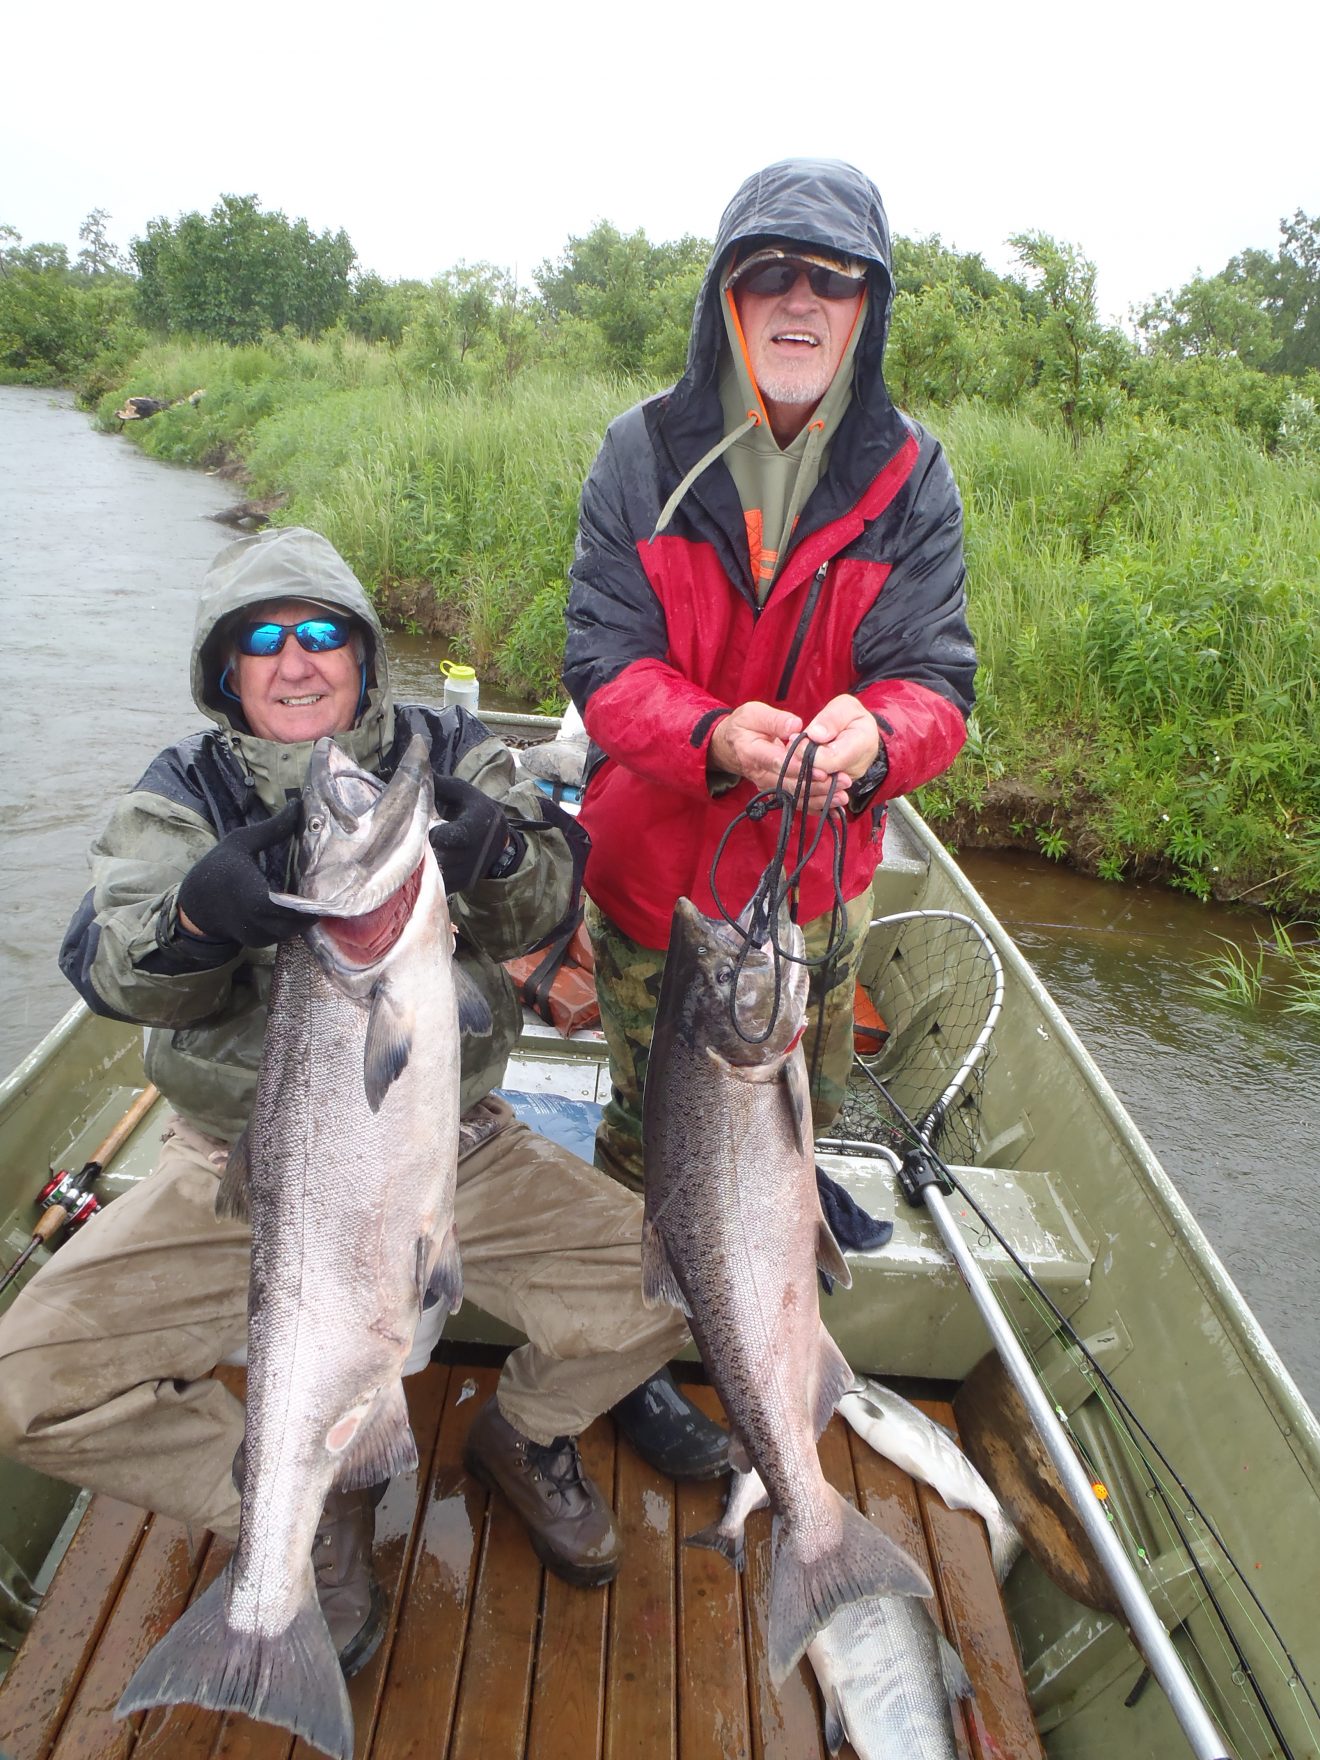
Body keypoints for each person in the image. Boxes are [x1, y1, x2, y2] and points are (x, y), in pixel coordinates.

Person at [0, 525, 691, 1676]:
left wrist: (504, 862)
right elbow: (108, 956)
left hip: (457, 1148)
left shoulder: (447, 751)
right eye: (260, 641)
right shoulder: (182, 792)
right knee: (22, 1390)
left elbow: (555, 889)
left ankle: (524, 1432)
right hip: (239, 1168)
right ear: (227, 673)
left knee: (694, 1279)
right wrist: (195, 920)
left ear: (363, 655)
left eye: (322, 632)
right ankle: (288, 1492)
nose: (296, 659)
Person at [564, 159, 978, 1436]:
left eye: (831, 277)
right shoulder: (641, 452)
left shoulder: (912, 474)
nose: (800, 300)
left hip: (815, 881)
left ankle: (794, 1230)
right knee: (651, 1124)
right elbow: (600, 663)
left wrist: (878, 731)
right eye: (770, 274)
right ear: (727, 297)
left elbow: (938, 684)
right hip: (654, 881)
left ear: (869, 302)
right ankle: (630, 1353)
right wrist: (711, 732)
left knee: (814, 1104)